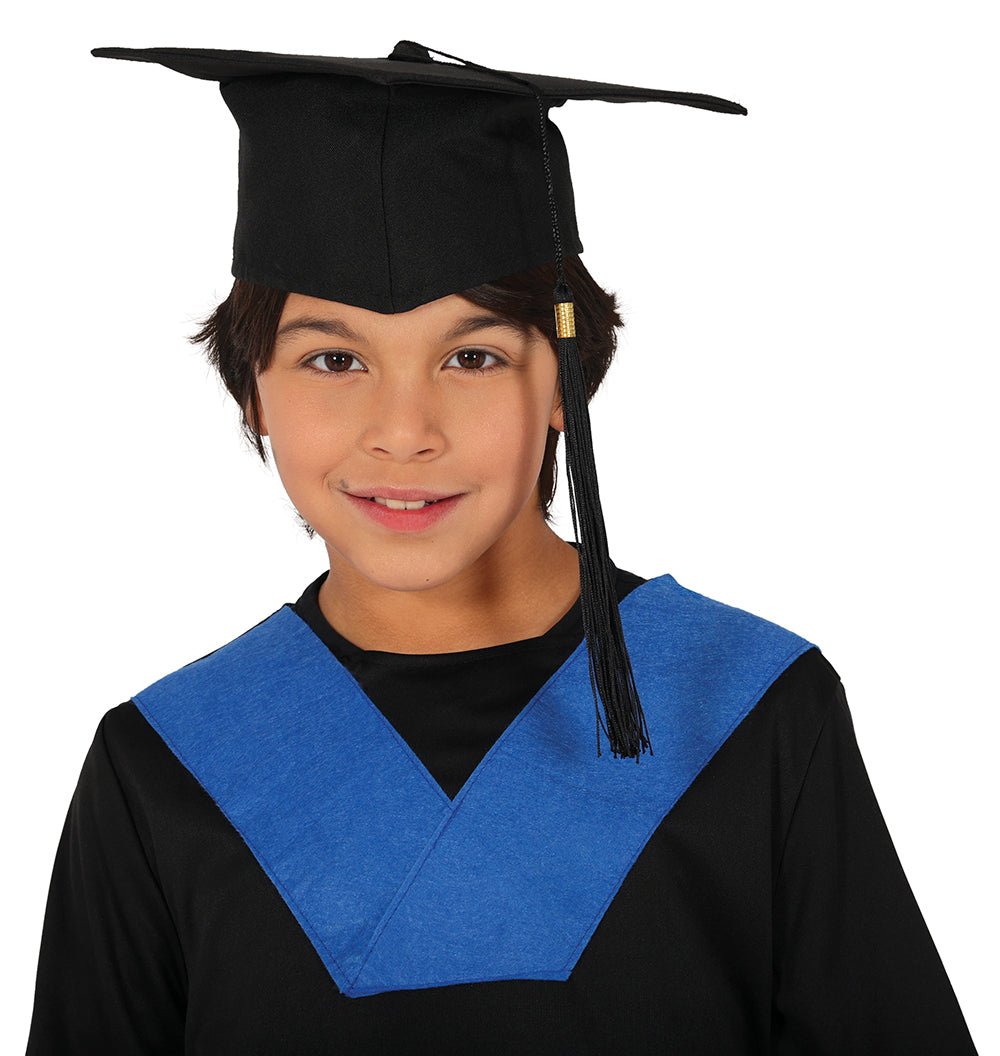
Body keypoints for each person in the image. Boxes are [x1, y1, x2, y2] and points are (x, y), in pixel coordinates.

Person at [24, 40, 980, 1055]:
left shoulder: (748, 708)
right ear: (250, 390)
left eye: (473, 356)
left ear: (568, 379)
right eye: (333, 359)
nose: (403, 431)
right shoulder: (166, 761)